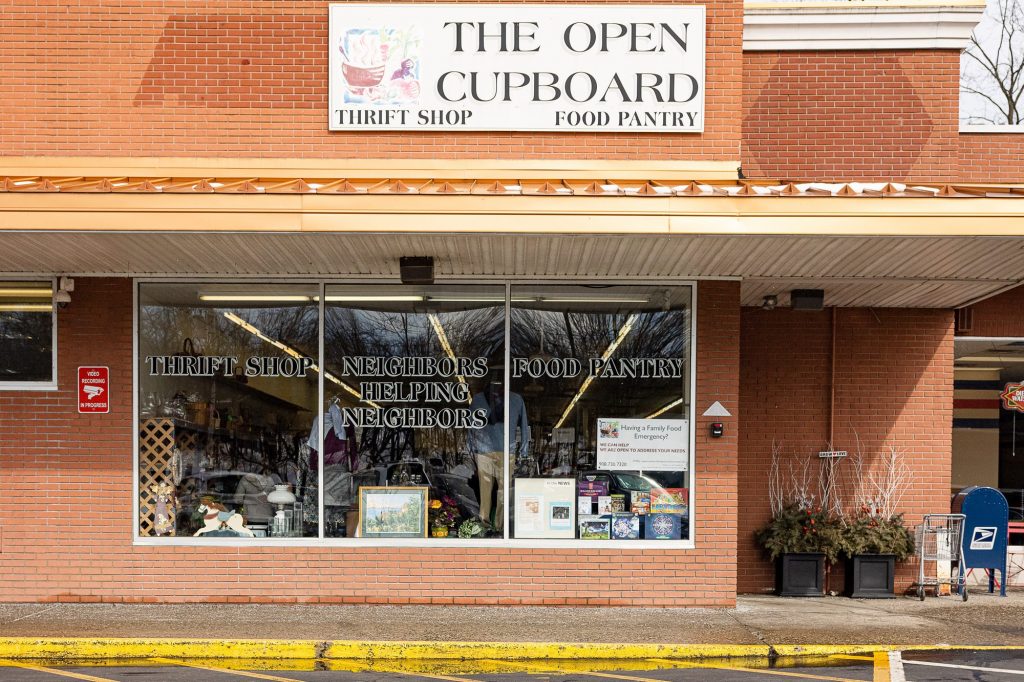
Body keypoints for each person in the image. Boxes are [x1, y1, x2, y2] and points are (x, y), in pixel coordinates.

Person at [467, 376, 529, 532]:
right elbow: (471, 425)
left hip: (502, 450)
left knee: (501, 491)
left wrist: (524, 449)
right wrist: (471, 447)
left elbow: (524, 425)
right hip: (490, 450)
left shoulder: (515, 399)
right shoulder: (478, 399)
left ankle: (498, 526)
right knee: (490, 490)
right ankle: (489, 525)